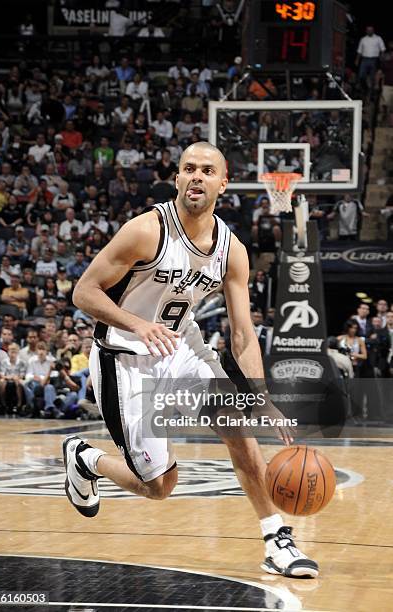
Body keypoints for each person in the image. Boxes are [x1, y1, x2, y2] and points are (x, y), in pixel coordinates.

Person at [62, 142, 318, 578]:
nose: (196, 176)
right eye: (188, 169)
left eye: (206, 170)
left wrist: (260, 398)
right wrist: (137, 324)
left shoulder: (231, 250)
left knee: (237, 426)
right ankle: (86, 458)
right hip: (124, 358)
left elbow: (241, 334)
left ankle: (276, 539)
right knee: (159, 486)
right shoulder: (146, 230)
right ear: (177, 179)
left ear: (223, 182)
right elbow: (83, 292)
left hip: (182, 349)